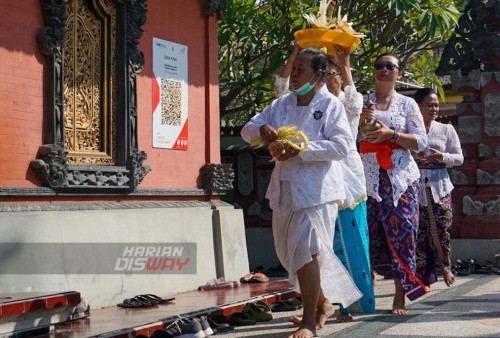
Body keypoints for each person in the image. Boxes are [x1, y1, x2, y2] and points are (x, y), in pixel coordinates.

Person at [241, 48, 361, 338]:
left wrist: (303, 149)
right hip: (284, 188)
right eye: (293, 69)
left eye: (300, 70)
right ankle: (321, 304)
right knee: (288, 254)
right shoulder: (281, 104)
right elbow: (247, 130)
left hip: (317, 191)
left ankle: (309, 322)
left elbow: (343, 146)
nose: (293, 75)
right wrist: (263, 129)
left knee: (306, 252)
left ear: (318, 75)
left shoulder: (331, 105)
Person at [274, 42, 374, 323]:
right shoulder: (295, 103)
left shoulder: (343, 103)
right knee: (307, 247)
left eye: (334, 73)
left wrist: (345, 65)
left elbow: (353, 104)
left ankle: (348, 306)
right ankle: (321, 305)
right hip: (308, 181)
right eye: (325, 71)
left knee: (342, 243)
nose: (329, 77)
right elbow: (281, 89)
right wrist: (294, 51)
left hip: (344, 178)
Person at [359, 53, 428, 315]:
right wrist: (360, 121)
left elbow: (421, 142)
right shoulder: (363, 100)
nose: (384, 70)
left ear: (399, 72)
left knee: (404, 233)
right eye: (379, 66)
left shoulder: (408, 104)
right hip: (369, 176)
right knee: (370, 235)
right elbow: (349, 136)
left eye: (390, 67)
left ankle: (400, 292)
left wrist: (393, 135)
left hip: (400, 178)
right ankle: (368, 289)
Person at [413, 88, 463, 288]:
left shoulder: (446, 129)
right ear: (418, 107)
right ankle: (421, 278)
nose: (434, 108)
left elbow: (459, 158)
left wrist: (441, 156)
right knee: (418, 233)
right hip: (414, 187)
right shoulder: (409, 129)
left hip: (440, 188)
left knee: (442, 231)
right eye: (429, 105)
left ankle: (445, 268)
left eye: (436, 105)